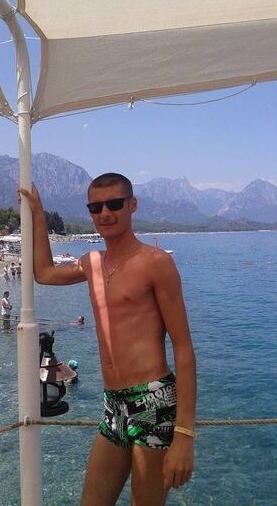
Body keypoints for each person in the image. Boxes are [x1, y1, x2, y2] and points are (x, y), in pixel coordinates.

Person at [18, 173, 196, 505]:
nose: (105, 213)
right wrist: (38, 212)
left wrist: (184, 434)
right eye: (96, 207)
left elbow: (183, 348)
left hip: (153, 401)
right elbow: (43, 273)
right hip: (113, 403)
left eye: (114, 204)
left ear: (132, 205)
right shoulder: (93, 263)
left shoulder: (156, 263)